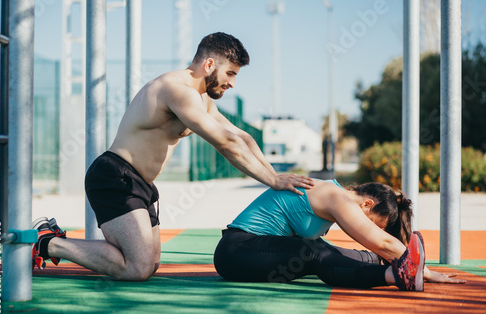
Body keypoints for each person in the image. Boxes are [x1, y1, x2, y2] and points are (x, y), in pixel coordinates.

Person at [31, 32, 314, 280]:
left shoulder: (202, 97)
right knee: (137, 268)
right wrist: (272, 182)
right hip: (115, 176)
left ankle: (61, 241)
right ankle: (49, 242)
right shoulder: (177, 90)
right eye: (231, 73)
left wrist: (275, 175)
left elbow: (242, 137)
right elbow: (225, 144)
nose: (232, 84)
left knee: (151, 265)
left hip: (141, 183)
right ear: (210, 64)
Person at [214, 179, 466, 291]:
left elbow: (379, 246)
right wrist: (422, 270)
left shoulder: (333, 193)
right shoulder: (335, 197)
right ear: (367, 203)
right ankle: (394, 275)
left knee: (323, 247)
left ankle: (383, 265)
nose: (371, 229)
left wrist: (383, 255)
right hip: (237, 251)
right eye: (374, 223)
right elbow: (380, 241)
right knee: (312, 252)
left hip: (255, 252)